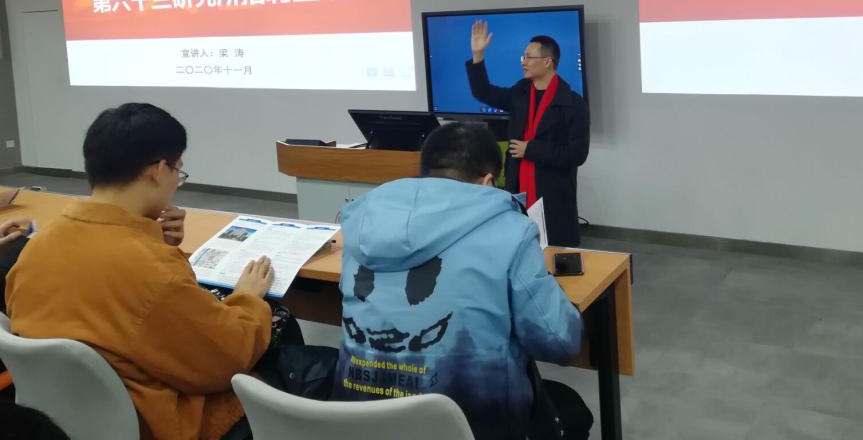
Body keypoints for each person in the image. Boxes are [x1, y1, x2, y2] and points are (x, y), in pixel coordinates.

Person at [4, 103, 335, 440]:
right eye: (178, 171)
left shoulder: (36, 249)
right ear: (159, 170)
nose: (177, 182)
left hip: (68, 420)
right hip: (162, 422)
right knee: (312, 357)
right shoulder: (150, 269)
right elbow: (226, 359)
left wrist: (153, 240)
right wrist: (248, 298)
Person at [333, 122, 591, 440]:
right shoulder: (512, 231)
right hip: (473, 424)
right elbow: (560, 342)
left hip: (360, 422)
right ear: (487, 182)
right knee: (571, 408)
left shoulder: (361, 226)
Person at [466, 21, 590, 246]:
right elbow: (484, 92)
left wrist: (530, 149)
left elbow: (577, 154)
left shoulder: (573, 103)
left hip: (553, 193)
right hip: (518, 188)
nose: (523, 62)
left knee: (554, 251)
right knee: (519, 246)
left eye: (529, 57)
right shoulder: (520, 93)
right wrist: (478, 55)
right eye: (523, 57)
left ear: (547, 61)